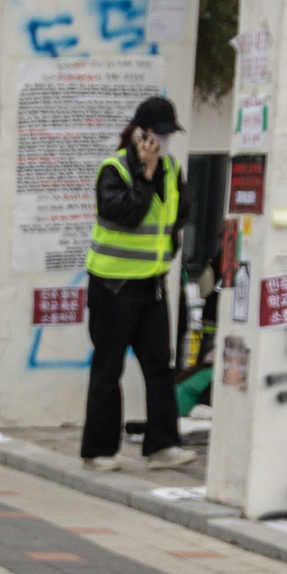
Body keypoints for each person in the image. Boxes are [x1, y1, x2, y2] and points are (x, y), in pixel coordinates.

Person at [81, 94, 191, 470]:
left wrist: (170, 248)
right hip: (113, 286)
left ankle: (163, 446)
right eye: (158, 135)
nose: (164, 142)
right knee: (109, 368)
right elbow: (127, 213)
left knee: (160, 364)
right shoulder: (114, 169)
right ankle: (98, 451)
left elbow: (180, 215)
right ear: (141, 134)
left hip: (152, 284)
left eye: (168, 135)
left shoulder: (173, 169)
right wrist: (145, 174)